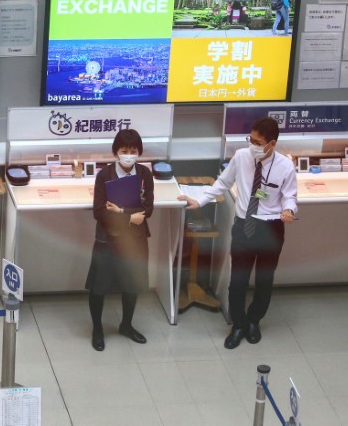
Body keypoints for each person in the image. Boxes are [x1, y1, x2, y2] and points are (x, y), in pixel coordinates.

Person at [178, 117, 297, 349]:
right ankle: (239, 324)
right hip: (244, 226)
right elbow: (222, 183)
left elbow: (290, 194)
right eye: (250, 139)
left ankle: (254, 321)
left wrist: (289, 209)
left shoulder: (285, 166)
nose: (252, 144)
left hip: (271, 228)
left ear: (271, 144)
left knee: (264, 280)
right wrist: (201, 201)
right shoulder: (242, 157)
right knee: (238, 281)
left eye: (257, 142)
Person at [85, 129, 154, 351]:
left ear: (139, 152)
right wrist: (128, 218)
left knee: (132, 284)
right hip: (109, 238)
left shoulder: (145, 174)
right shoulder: (104, 175)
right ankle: (97, 328)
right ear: (116, 151)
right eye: (124, 151)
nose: (128, 155)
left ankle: (126, 325)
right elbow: (99, 212)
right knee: (99, 286)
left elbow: (147, 210)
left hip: (135, 239)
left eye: (133, 151)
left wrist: (121, 210)